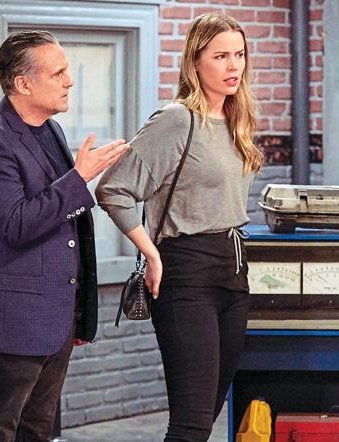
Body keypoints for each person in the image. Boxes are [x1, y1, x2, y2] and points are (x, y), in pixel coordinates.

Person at [96, 12, 263, 442]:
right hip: (186, 273)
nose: (234, 65)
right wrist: (150, 252)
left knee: (208, 415)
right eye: (221, 56)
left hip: (234, 270)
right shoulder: (176, 120)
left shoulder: (238, 119)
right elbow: (113, 189)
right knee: (190, 423)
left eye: (240, 54)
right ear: (195, 62)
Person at [0, 30, 128, 441]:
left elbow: (66, 223)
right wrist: (79, 178)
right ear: (23, 83)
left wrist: (79, 311)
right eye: (57, 73)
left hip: (57, 313)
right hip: (18, 318)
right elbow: (16, 225)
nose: (69, 81)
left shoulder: (50, 129)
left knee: (38, 429)